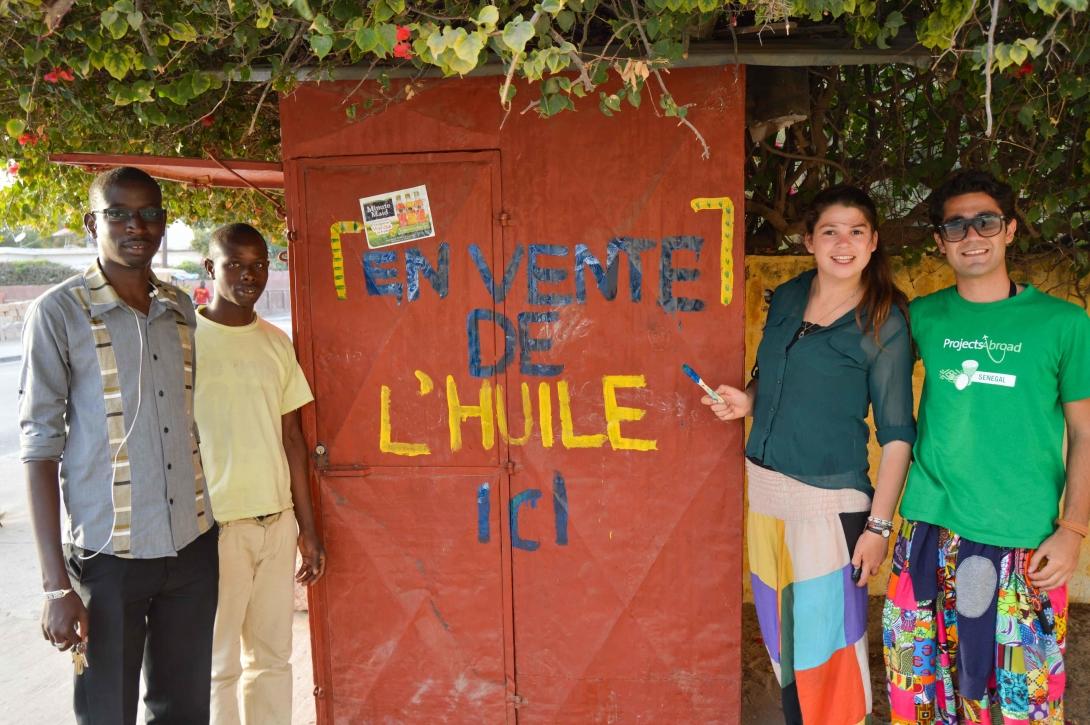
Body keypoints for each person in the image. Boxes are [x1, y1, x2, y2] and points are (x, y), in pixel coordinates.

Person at [702, 184, 916, 724]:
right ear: (809, 241)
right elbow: (767, 381)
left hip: (831, 503)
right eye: (830, 231)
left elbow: (897, 436)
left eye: (856, 232)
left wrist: (878, 527)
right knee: (784, 647)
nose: (843, 244)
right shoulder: (790, 295)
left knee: (831, 656)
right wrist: (742, 401)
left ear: (872, 243)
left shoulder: (884, 320)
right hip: (767, 495)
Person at [882, 170, 1090, 723]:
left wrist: (1072, 531)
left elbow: (1086, 434)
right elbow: (848, 365)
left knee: (1027, 706)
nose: (972, 235)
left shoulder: (1064, 324)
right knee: (920, 697)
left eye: (985, 221)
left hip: (1026, 542)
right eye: (956, 225)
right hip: (929, 531)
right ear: (939, 241)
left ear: (1010, 230)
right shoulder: (921, 317)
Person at [19, 166, 218, 723]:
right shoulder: (58, 314)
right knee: (106, 710)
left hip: (193, 548)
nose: (138, 225)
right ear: (92, 223)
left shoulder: (180, 310)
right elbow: (39, 450)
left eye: (150, 213)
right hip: (110, 560)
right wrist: (57, 586)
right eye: (120, 213)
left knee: (183, 709)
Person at [195, 222, 325, 725]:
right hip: (217, 529)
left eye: (258, 265)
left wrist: (307, 531)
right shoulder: (188, 342)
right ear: (211, 269)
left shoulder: (276, 343)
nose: (249, 276)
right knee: (218, 665)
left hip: (277, 523)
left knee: (272, 660)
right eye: (235, 265)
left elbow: (293, 439)